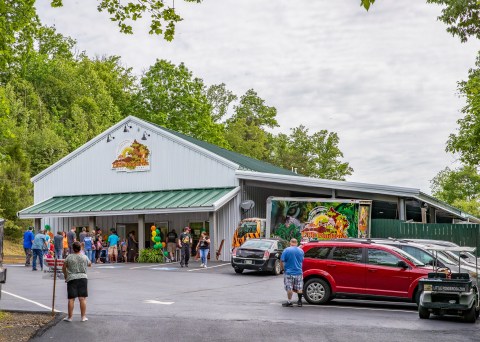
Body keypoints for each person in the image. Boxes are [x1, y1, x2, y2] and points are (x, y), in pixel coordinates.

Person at [62, 241, 91, 322]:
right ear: (80, 248)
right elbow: (90, 264)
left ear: (73, 249)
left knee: (71, 299)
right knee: (82, 299)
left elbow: (64, 267)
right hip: (82, 277)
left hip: (72, 278)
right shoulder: (84, 257)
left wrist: (65, 275)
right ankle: (83, 317)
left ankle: (70, 317)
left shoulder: (69, 257)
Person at [280, 238, 305, 307]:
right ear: (296, 243)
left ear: (290, 243)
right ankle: (300, 302)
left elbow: (282, 260)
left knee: (289, 288)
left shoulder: (286, 250)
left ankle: (289, 301)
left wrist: (283, 269)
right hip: (299, 272)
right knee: (299, 288)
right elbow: (302, 260)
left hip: (289, 272)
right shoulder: (301, 251)